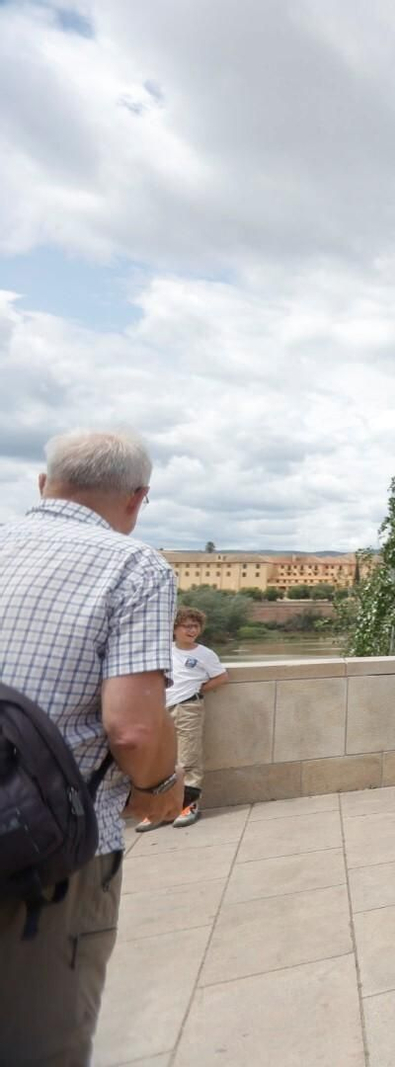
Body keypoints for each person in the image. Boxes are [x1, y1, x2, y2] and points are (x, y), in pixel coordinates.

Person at [0, 430, 180, 1064]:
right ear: (138, 499)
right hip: (46, 848)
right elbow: (132, 728)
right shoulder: (133, 566)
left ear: (43, 485)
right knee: (38, 1039)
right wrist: (161, 790)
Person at [136, 606, 229, 831]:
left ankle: (188, 806)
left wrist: (196, 690)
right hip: (161, 710)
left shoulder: (205, 654)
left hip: (189, 708)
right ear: (175, 629)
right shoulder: (164, 651)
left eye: (195, 626)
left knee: (188, 759)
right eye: (186, 626)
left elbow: (221, 677)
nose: (192, 630)